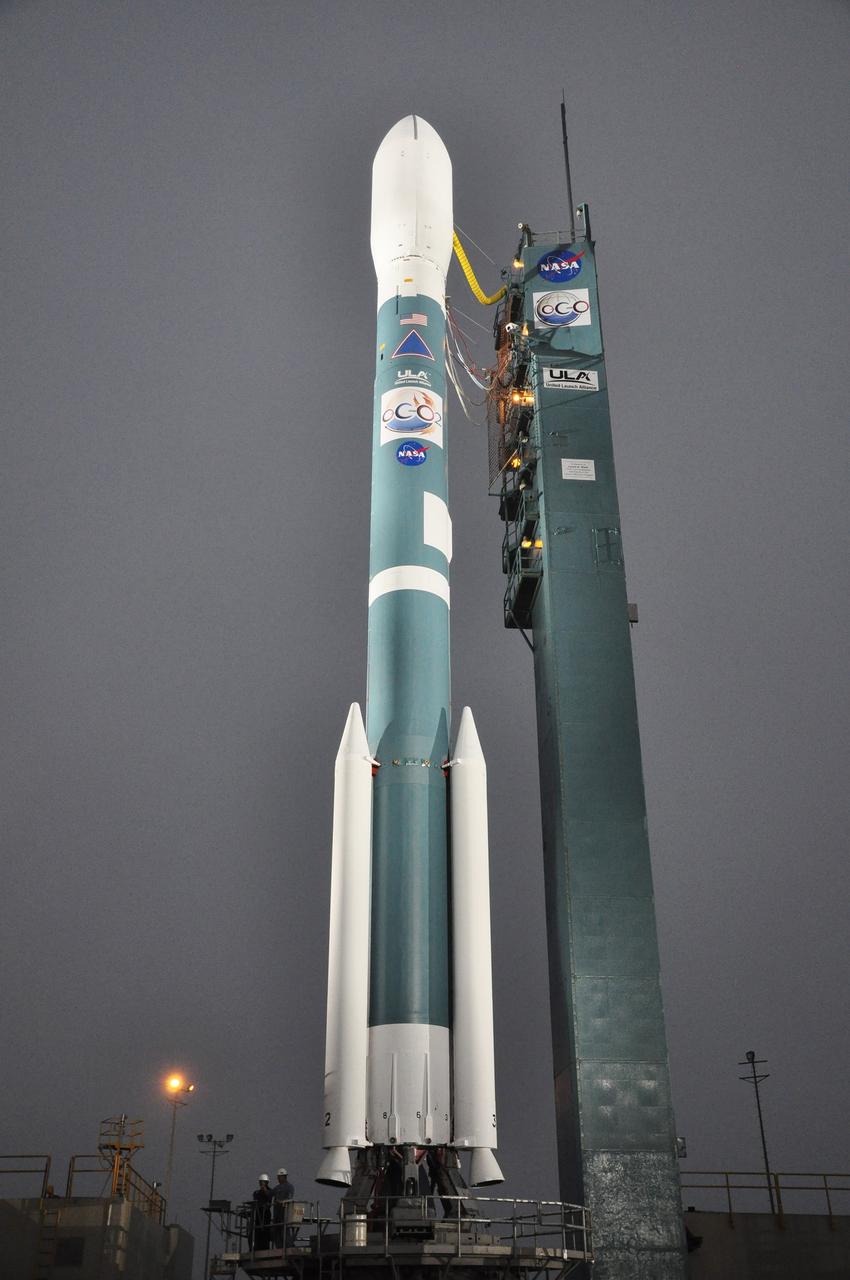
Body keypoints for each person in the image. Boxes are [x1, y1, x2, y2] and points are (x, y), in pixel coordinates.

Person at [272, 1167, 295, 1248]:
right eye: (278, 1177)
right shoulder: (276, 1188)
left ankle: (289, 1247)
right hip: (277, 1215)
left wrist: (281, 1202)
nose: (278, 1178)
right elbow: (269, 1194)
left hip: (285, 1214)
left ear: (284, 1177)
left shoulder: (289, 1187)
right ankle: (279, 1248)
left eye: (279, 1177)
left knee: (285, 1231)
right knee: (276, 1231)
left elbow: (290, 1198)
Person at [251, 1174, 273, 1251]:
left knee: (265, 1232)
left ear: (267, 1183)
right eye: (260, 1182)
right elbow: (255, 1200)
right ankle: (255, 1248)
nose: (261, 1184)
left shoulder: (270, 1191)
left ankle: (265, 1248)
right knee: (256, 1232)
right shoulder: (257, 1192)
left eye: (263, 1182)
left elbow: (269, 1197)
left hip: (265, 1214)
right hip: (258, 1214)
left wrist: (265, 1189)